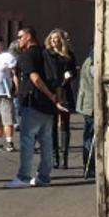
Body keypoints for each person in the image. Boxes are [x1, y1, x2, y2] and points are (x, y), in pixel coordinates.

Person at [5, 26, 62, 189]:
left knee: (27, 140)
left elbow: (35, 78)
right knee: (46, 141)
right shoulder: (46, 53)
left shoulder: (27, 56)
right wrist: (55, 98)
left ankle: (23, 177)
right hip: (47, 106)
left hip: (34, 103)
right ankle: (44, 176)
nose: (18, 40)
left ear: (29, 37)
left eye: (20, 36)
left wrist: (50, 96)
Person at [45, 29, 79, 169]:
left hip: (65, 92)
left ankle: (64, 157)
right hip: (52, 91)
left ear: (61, 41)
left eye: (56, 39)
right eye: (52, 39)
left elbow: (74, 72)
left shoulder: (68, 55)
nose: (54, 41)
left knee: (65, 125)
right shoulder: (47, 54)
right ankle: (55, 158)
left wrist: (70, 74)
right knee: (52, 125)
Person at [75, 53, 95, 179]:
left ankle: (89, 167)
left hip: (86, 104)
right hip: (91, 105)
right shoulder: (93, 64)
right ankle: (90, 167)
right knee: (90, 138)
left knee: (88, 137)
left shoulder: (87, 60)